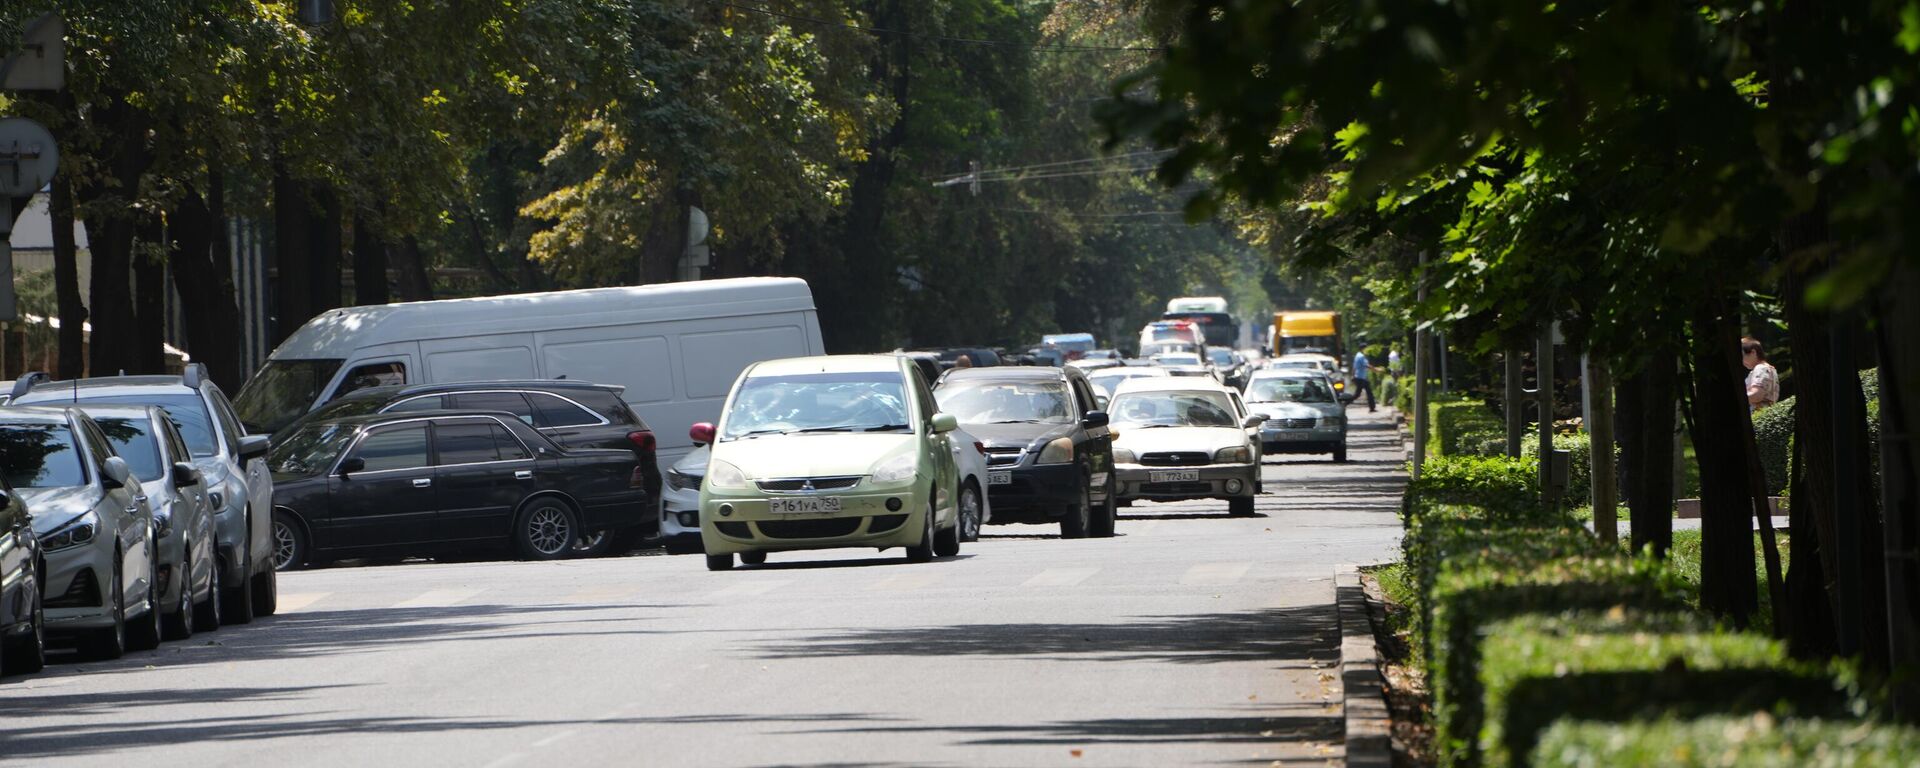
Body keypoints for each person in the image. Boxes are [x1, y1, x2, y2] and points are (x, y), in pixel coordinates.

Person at [1742, 337, 1779, 411]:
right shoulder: (1769, 369)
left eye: (1742, 356)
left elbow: (1756, 395)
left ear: (1753, 352)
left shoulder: (1760, 368)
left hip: (1756, 414)